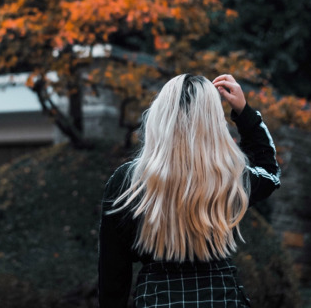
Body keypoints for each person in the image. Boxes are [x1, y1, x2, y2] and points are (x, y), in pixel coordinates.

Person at [98, 73, 281, 308]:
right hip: (221, 298)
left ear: (159, 116)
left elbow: (113, 271)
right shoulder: (229, 176)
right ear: (214, 122)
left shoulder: (128, 181)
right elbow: (270, 172)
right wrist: (244, 113)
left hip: (155, 300)